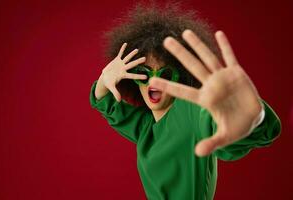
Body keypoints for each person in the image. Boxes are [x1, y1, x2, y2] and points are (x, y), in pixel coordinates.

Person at [90, 3, 281, 200]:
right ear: (132, 79)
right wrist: (105, 79)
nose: (153, 82)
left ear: (181, 76)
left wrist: (249, 118)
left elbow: (218, 128)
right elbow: (108, 105)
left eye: (165, 74)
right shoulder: (145, 128)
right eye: (142, 74)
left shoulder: (189, 111)